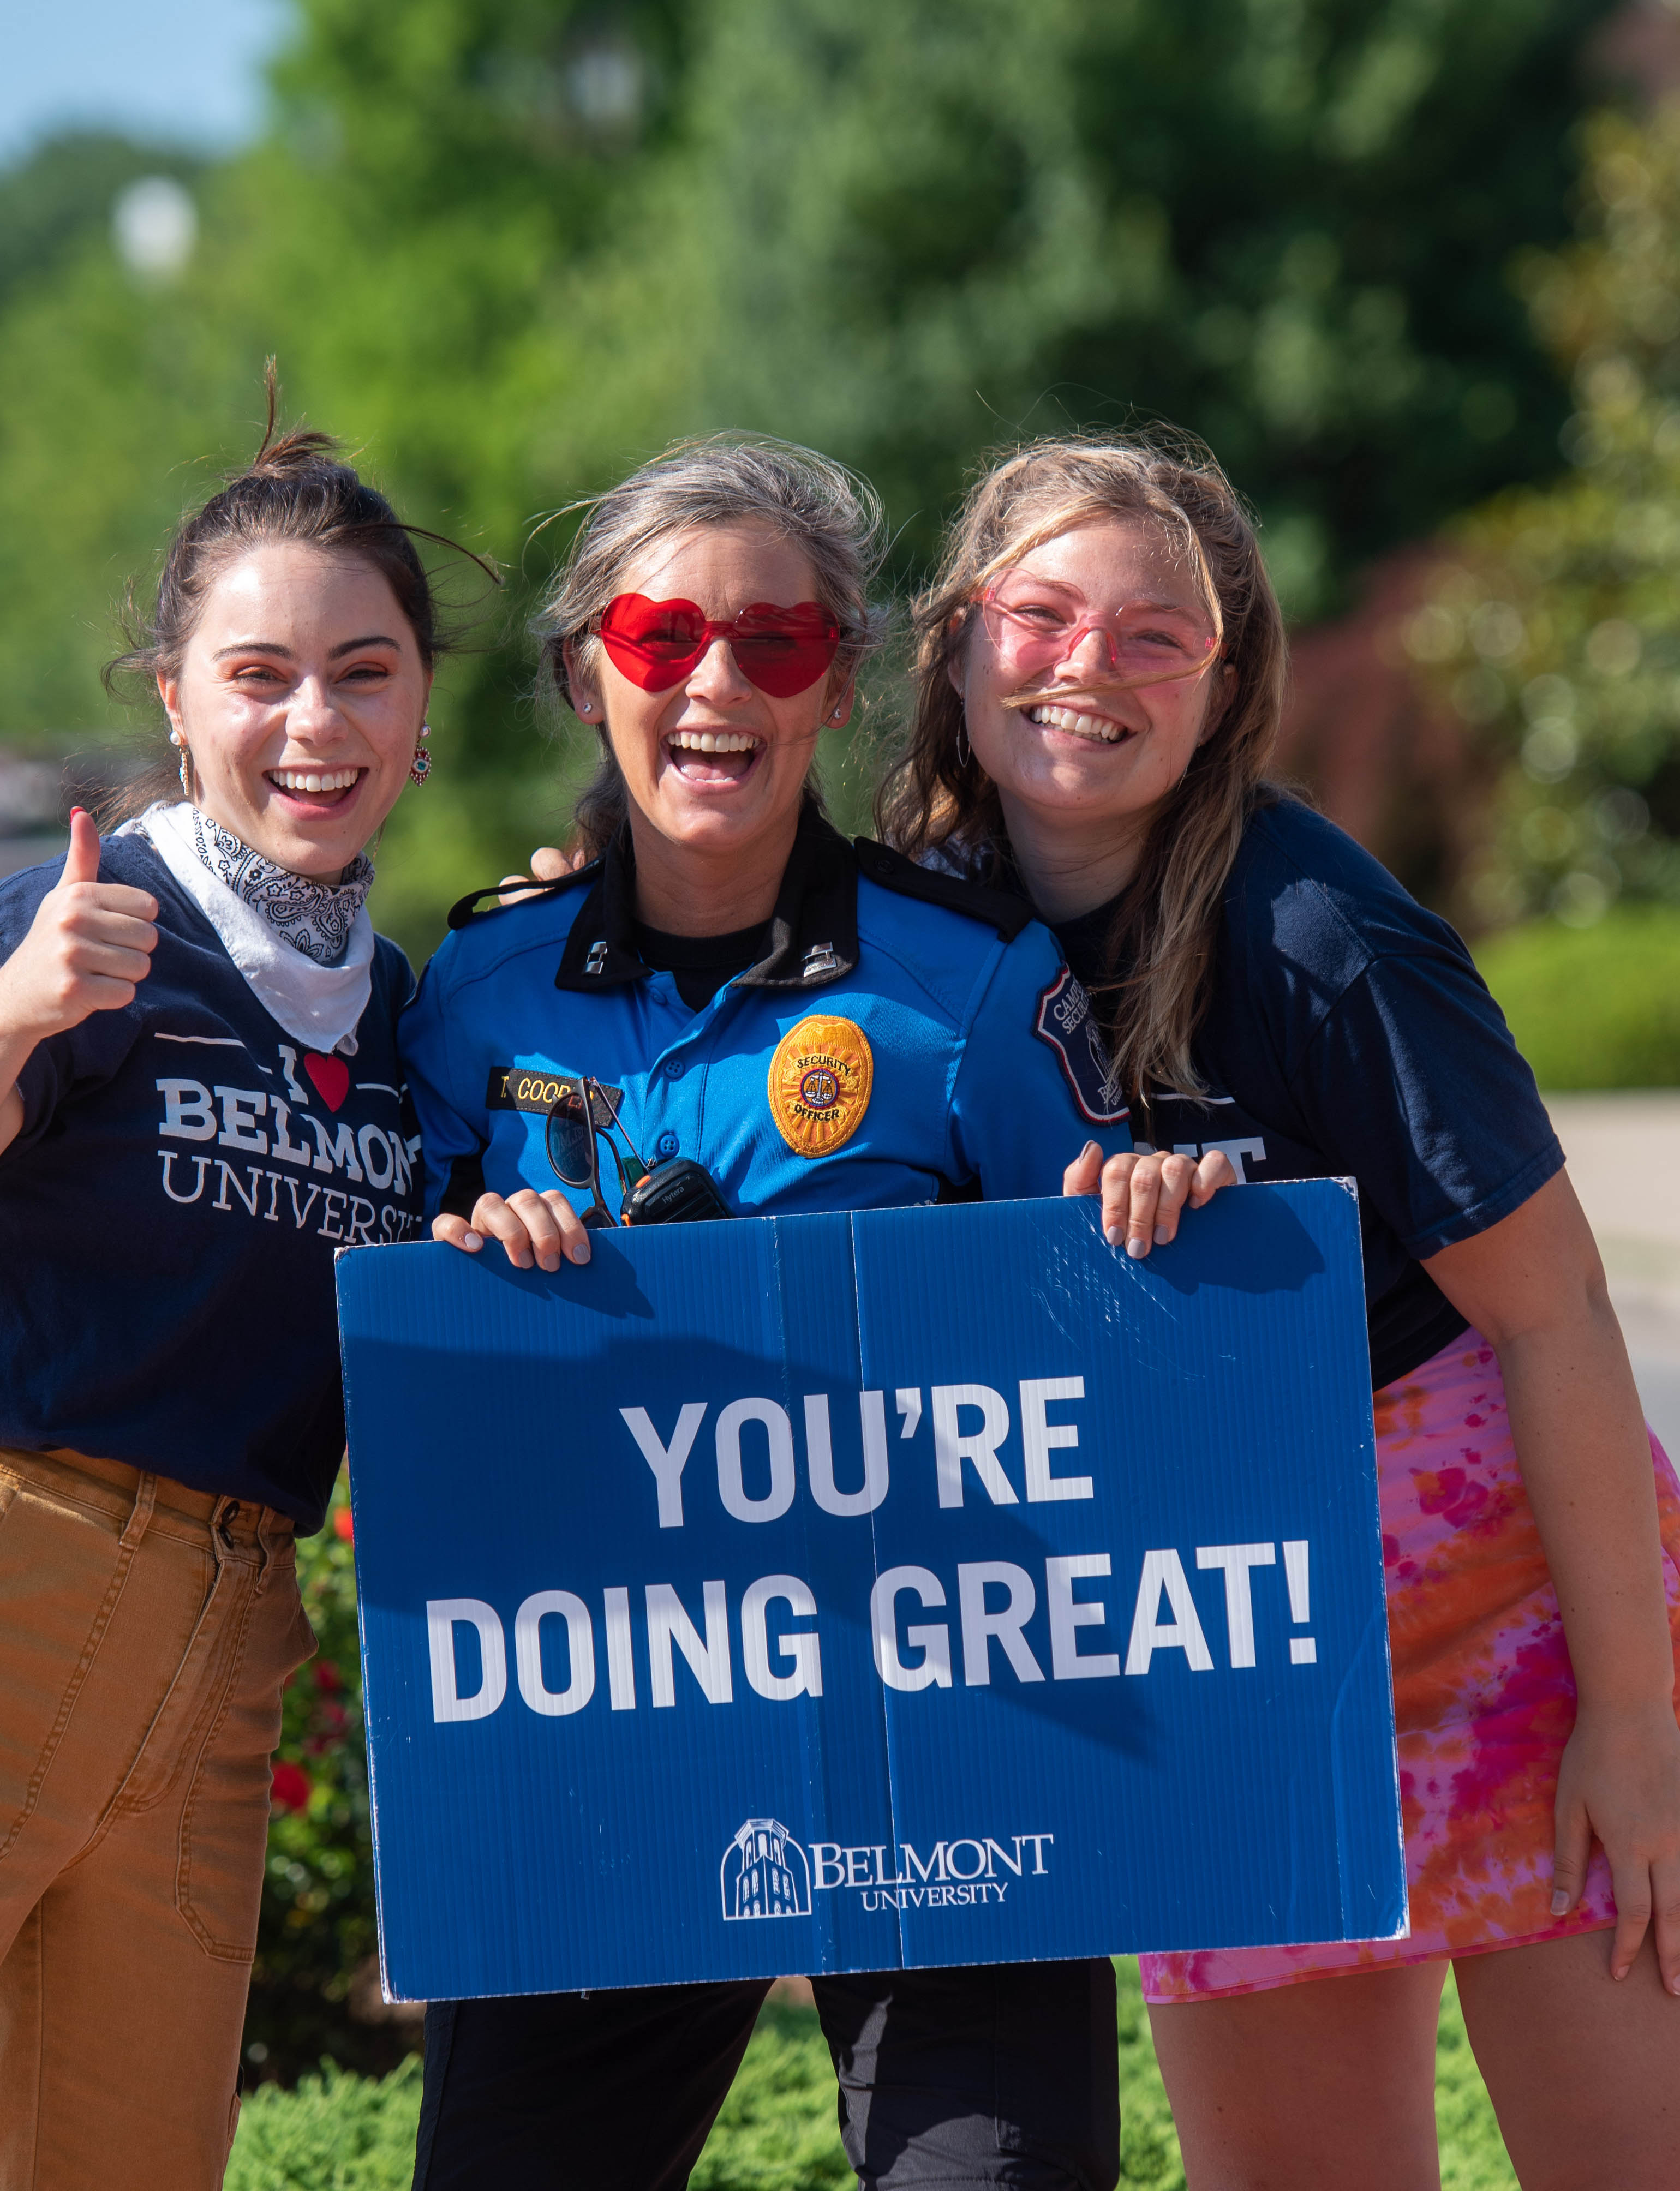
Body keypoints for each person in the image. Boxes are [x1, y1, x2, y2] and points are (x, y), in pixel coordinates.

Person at [873, 431, 1680, 2190]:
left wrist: (1631, 1725)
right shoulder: (894, 941)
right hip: (1222, 1655)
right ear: (956, 644)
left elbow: (1556, 1315)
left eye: (1155, 635)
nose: (1086, 667)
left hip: (1519, 1635)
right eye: (1041, 615)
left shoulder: (1317, 935)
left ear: (1226, 683)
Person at [397, 434, 1233, 2191]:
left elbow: (1115, 1341)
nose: (718, 682)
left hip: (960, 1748)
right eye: (659, 640)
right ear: (583, 673)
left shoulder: (972, 979)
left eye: (776, 644)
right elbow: (398, 1352)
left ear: (837, 682)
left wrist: (1150, 1227)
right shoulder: (470, 992)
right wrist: (463, 1255)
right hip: (606, 1759)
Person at [0, 416, 438, 2188]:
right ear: (172, 698)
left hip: (221, 1665)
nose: (316, 723)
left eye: (364, 673)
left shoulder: (412, 1026)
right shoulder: (71, 925)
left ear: (423, 708)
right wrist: (7, 1019)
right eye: (260, 674)